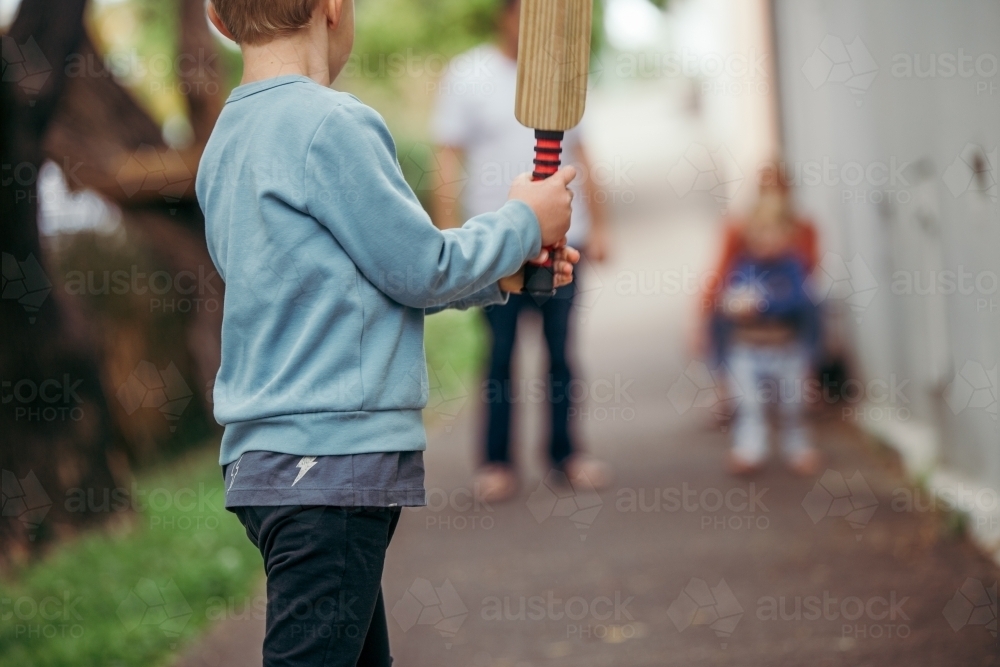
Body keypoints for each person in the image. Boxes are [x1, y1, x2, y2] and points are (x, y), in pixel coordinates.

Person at [197, 1, 580, 664]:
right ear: (334, 8)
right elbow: (420, 268)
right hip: (331, 462)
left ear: (218, 18)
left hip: (268, 461)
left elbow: (357, 282)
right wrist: (522, 220)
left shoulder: (226, 139)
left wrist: (502, 275)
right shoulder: (333, 124)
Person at [430, 0, 610, 503]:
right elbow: (447, 157)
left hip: (562, 242)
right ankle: (496, 464)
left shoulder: (565, 74)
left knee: (561, 354)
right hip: (496, 244)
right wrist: (449, 235)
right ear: (507, 18)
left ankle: (565, 454)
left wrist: (603, 225)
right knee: (500, 355)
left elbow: (586, 153)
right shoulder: (467, 74)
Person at [703, 166, 823, 477]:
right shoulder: (744, 266)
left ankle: (796, 445)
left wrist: (763, 303)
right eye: (759, 233)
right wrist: (731, 303)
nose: (766, 241)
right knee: (750, 404)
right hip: (747, 348)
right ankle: (749, 447)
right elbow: (723, 291)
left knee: (791, 403)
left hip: (785, 348)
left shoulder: (793, 267)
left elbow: (799, 300)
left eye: (773, 233)